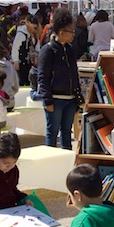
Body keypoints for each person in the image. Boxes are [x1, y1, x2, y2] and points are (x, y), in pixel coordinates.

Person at [38, 8, 82, 149]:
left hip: (70, 100)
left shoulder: (69, 49)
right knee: (52, 133)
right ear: (61, 32)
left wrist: (78, 97)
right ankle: (50, 160)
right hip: (55, 99)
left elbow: (74, 74)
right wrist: (47, 100)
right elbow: (43, 77)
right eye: (71, 31)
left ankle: (67, 161)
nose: (73, 34)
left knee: (67, 133)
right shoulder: (48, 50)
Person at [11, 15, 39, 86]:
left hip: (31, 61)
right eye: (33, 27)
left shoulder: (35, 35)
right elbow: (15, 48)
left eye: (35, 27)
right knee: (22, 80)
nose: (34, 29)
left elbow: (37, 48)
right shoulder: (21, 34)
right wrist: (16, 61)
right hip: (22, 61)